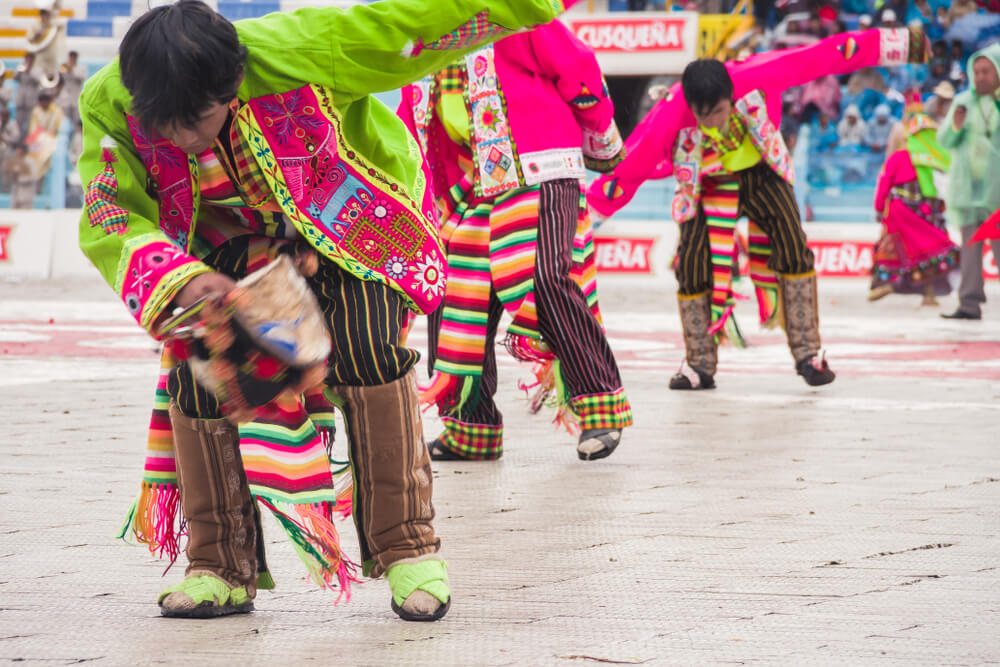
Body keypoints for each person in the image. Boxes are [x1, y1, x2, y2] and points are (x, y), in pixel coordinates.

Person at [78, 0, 578, 620]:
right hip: (219, 253)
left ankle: (408, 549)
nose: (181, 137)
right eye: (164, 124)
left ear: (232, 85)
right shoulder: (109, 102)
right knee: (198, 373)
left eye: (196, 119)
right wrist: (180, 278)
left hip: (351, 220)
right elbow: (109, 213)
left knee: (369, 352)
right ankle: (218, 565)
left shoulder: (301, 48)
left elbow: (406, 28)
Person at [587, 26, 929, 390]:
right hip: (705, 178)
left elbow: (827, 54)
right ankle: (699, 364)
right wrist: (587, 218)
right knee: (691, 263)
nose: (711, 121)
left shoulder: (757, 74)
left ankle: (808, 355)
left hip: (762, 169)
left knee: (793, 246)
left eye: (717, 111)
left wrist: (900, 44)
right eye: (702, 115)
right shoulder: (673, 110)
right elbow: (631, 165)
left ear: (730, 95)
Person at [398, 21, 632, 462]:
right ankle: (471, 428)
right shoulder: (420, 37)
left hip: (539, 163)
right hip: (471, 183)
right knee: (453, 297)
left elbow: (576, 65)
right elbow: (408, 121)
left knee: (543, 279)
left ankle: (600, 403)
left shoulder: (512, 13)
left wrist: (598, 131)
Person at [869, 93, 957, 305]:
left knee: (894, 249)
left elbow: (884, 184)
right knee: (929, 252)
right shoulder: (934, 160)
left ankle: (886, 283)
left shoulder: (898, 158)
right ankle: (929, 293)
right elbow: (942, 188)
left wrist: (879, 209)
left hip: (899, 212)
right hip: (928, 213)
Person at [939, 44, 1000, 320]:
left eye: (986, 71)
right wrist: (955, 125)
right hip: (968, 192)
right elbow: (944, 141)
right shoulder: (963, 101)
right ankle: (969, 304)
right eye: (976, 72)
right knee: (970, 253)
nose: (980, 77)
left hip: (996, 194)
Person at [56, 50, 87, 126]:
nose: (72, 59)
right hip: (65, 97)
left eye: (73, 57)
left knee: (76, 119)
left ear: (76, 58)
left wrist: (71, 70)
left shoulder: (81, 68)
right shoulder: (64, 67)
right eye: (71, 57)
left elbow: (81, 79)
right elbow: (59, 80)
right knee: (65, 119)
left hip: (76, 96)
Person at [13, 53, 39, 141]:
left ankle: (29, 141)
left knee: (30, 123)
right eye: (27, 59)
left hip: (31, 100)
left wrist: (29, 71)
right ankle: (18, 141)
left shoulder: (37, 69)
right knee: (18, 123)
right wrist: (20, 71)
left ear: (33, 60)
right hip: (21, 99)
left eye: (30, 59)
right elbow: (14, 78)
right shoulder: (21, 67)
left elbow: (38, 80)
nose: (28, 61)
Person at [5, 143, 37, 208]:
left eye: (19, 150)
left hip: (26, 193)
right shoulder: (15, 160)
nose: (18, 152)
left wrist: (20, 178)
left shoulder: (30, 161)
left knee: (25, 211)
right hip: (16, 193)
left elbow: (33, 177)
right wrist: (12, 175)